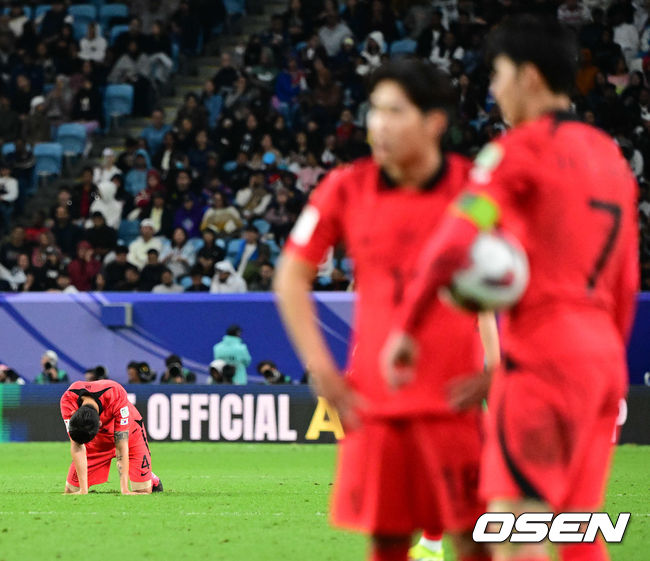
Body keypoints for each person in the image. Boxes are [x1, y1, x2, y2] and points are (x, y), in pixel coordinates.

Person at [382, 17, 638, 561]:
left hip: (544, 357)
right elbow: (627, 278)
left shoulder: (514, 153)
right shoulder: (611, 159)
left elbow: (452, 243)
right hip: (603, 362)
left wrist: (405, 328)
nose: (493, 90)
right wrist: (603, 360)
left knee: (515, 534)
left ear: (527, 77)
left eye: (497, 76)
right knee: (578, 533)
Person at [274, 59, 498, 561]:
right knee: (387, 540)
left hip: (453, 402)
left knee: (473, 539)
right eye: (374, 110)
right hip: (374, 403)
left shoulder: (475, 191)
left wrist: (501, 367)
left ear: (433, 121)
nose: (378, 124)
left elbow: (519, 275)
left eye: (394, 111)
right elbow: (291, 274)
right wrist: (321, 370)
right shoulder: (345, 187)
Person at [60, 379, 163, 494]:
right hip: (96, 442)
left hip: (131, 435)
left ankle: (151, 478)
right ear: (74, 413)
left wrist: (125, 489)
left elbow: (121, 446)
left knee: (142, 491)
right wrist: (83, 490)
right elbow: (77, 445)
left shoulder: (115, 394)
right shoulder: (68, 401)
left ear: (100, 424)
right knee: (71, 491)